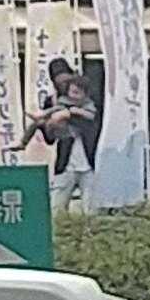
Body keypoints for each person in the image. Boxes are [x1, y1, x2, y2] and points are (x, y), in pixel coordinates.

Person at [33, 73, 99, 211]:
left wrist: (69, 113)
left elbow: (88, 121)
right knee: (57, 207)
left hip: (89, 166)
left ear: (85, 94)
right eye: (71, 92)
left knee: (91, 210)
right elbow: (50, 136)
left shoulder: (91, 109)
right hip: (65, 165)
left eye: (77, 92)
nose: (73, 96)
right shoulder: (61, 106)